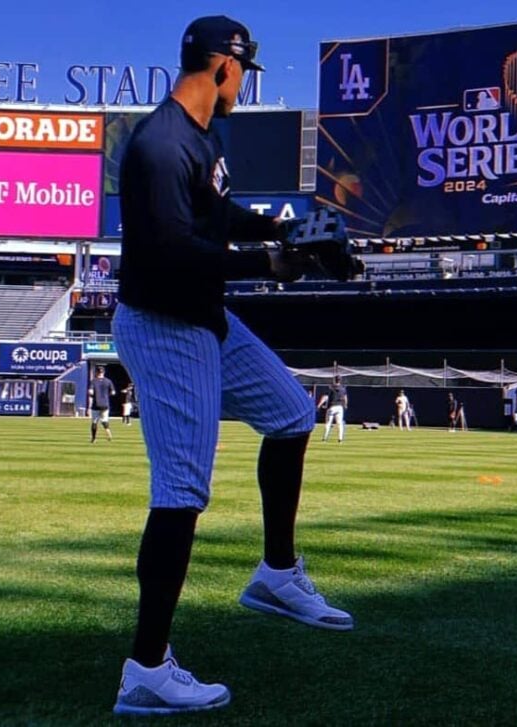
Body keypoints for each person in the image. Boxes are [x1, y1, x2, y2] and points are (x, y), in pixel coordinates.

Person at [109, 16, 351, 717]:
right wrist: (267, 263)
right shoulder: (160, 144)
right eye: (245, 72)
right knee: (182, 490)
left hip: (205, 317)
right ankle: (146, 668)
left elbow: (213, 216)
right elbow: (167, 252)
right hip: (165, 324)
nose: (245, 85)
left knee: (292, 413)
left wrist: (280, 229)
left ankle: (276, 574)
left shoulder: (200, 135)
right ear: (224, 66)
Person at [88, 366, 116, 442]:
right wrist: (106, 395)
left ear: (96, 372)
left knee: (94, 421)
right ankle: (108, 431)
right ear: (103, 372)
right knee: (104, 420)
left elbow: (90, 392)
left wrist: (94, 396)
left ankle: (93, 438)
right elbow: (113, 392)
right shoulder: (108, 381)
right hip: (105, 404)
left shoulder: (93, 381)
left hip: (96, 404)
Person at [318, 377, 348, 443]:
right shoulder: (343, 389)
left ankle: (324, 439)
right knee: (340, 423)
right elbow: (345, 398)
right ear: (340, 380)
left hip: (332, 406)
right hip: (340, 407)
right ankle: (340, 439)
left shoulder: (331, 388)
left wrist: (319, 405)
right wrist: (345, 405)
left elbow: (325, 397)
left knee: (328, 423)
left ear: (335, 380)